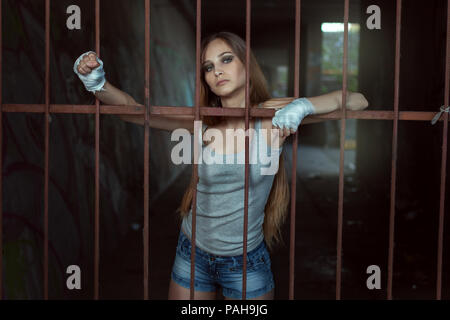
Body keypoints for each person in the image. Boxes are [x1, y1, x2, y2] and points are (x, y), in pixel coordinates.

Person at [74, 31, 369, 300]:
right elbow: (133, 112)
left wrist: (303, 105)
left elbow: (357, 101)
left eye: (226, 59)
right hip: (191, 253)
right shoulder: (202, 119)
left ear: (246, 64)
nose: (217, 70)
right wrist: (97, 83)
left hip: (245, 263)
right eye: (208, 66)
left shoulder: (270, 115)